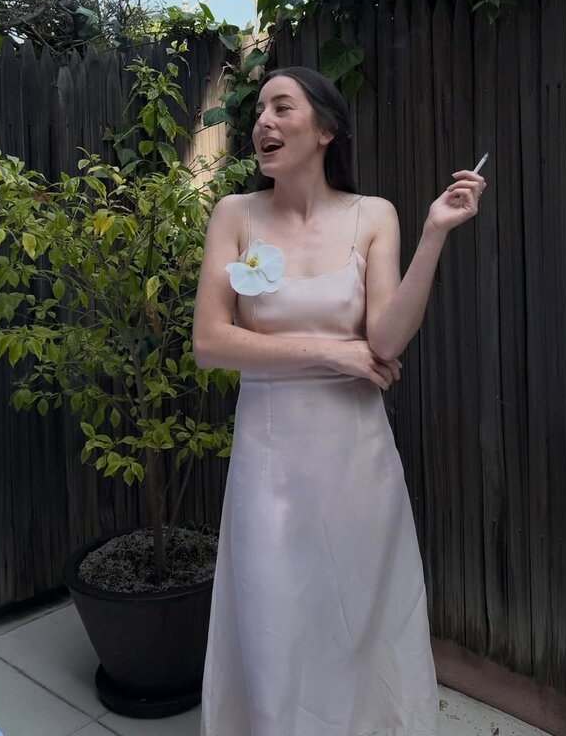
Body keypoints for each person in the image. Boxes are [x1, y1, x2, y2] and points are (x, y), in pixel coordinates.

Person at [192, 66, 486, 736]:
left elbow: (384, 339)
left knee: (360, 617)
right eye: (259, 111)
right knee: (275, 618)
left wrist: (435, 232)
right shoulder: (234, 215)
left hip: (357, 457)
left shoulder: (374, 214)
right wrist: (332, 353)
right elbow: (209, 342)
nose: (262, 122)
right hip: (269, 461)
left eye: (281, 108)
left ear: (325, 129)